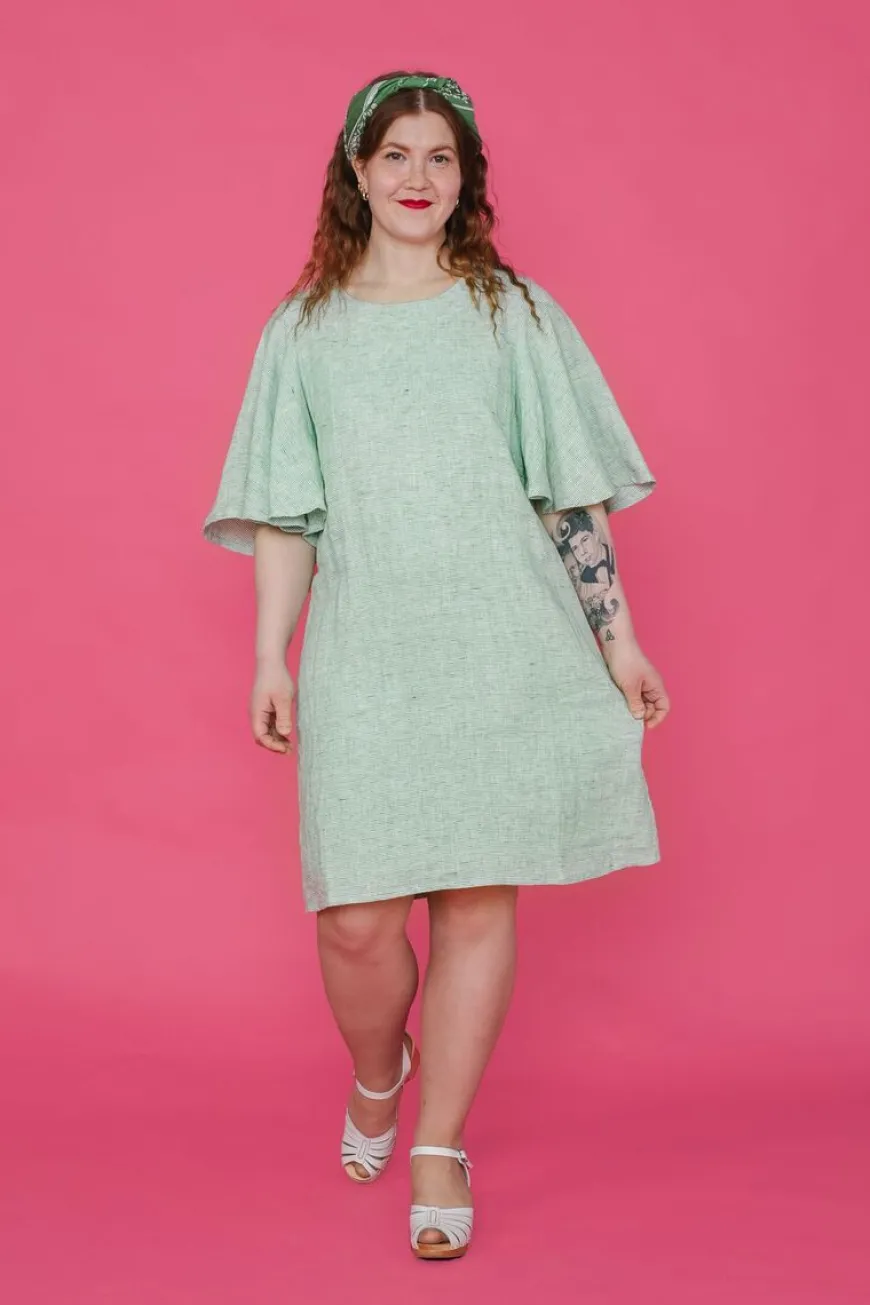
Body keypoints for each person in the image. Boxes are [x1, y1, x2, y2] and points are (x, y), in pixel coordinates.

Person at [202, 69, 670, 1261]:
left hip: (504, 648)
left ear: (466, 179)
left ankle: (439, 1144)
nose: (418, 177)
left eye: (441, 157)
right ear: (357, 173)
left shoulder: (512, 314)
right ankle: (381, 1070)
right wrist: (270, 655)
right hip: (366, 649)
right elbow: (285, 514)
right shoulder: (305, 330)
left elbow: (569, 494)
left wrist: (617, 639)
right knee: (356, 923)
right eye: (397, 155)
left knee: (474, 900)